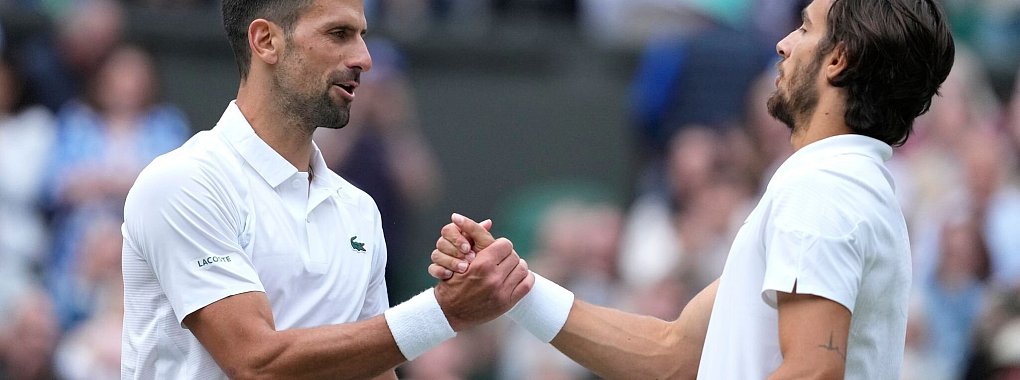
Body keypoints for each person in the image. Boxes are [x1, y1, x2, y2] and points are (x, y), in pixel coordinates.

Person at [430, 0, 955, 378]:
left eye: (804, 28)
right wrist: (514, 289)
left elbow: (813, 370)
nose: (783, 43)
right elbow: (672, 352)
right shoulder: (845, 183)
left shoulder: (823, 186)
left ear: (837, 59)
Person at [120, 0, 533, 378]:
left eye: (362, 36)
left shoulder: (359, 211)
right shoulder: (184, 182)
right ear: (266, 41)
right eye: (339, 34)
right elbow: (256, 363)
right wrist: (444, 311)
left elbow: (371, 370)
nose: (364, 59)